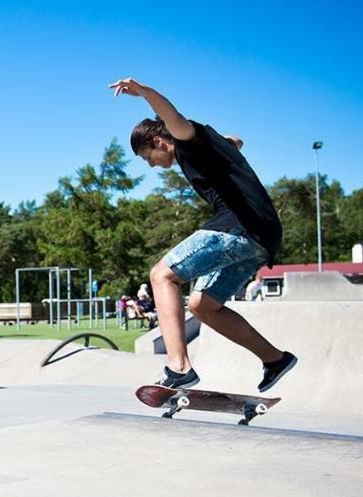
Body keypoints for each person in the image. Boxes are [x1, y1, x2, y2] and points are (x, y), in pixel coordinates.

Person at [110, 77, 297, 393]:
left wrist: (144, 93)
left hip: (240, 227)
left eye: (147, 157)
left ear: (158, 141)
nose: (152, 167)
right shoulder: (205, 146)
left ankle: (178, 367)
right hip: (264, 238)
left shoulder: (183, 138)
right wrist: (229, 144)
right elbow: (235, 142)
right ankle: (274, 359)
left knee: (161, 276)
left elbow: (171, 116)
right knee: (201, 304)